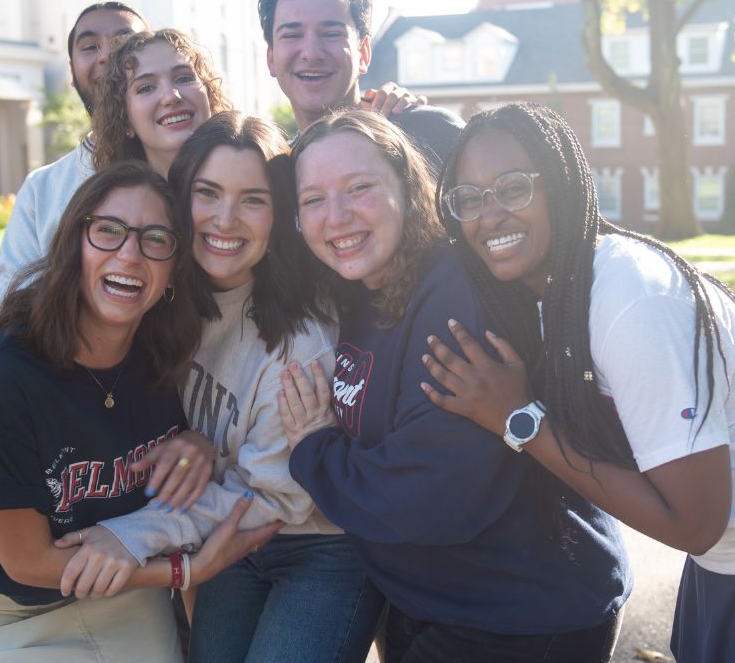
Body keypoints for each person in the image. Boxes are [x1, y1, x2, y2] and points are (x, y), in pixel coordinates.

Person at [278, 109, 631, 663]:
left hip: (521, 618)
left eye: (360, 188)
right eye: (313, 200)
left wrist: (313, 450)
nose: (337, 216)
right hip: (434, 603)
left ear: (408, 186)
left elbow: (424, 495)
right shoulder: (362, 289)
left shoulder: (454, 300)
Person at [55, 111, 386, 663]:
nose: (225, 220)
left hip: (316, 543)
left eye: (253, 199)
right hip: (224, 534)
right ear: (180, 197)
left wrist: (135, 533)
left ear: (280, 213)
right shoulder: (160, 295)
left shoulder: (302, 344)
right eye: (207, 193)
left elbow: (274, 495)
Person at [421, 102, 735, 663]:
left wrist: (519, 420)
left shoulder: (628, 298)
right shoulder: (555, 294)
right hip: (717, 568)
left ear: (562, 183)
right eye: (468, 199)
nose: (488, 216)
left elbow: (696, 524)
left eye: (513, 188)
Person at [0, 161, 279, 662]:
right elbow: (28, 562)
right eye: (109, 231)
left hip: (115, 592)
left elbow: (183, 472)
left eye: (156, 239)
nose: (130, 254)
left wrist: (199, 441)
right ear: (73, 244)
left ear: (173, 271)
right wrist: (185, 571)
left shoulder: (165, 356)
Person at [0, 2, 149, 321]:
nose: (106, 55)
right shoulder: (41, 190)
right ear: (72, 72)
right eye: (89, 46)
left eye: (123, 41)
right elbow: (2, 309)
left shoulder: (188, 168)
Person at [258, 0, 462, 165]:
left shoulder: (430, 136)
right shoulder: (276, 173)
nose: (311, 53)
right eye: (291, 35)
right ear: (271, 58)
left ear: (363, 53)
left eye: (331, 34)